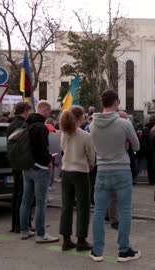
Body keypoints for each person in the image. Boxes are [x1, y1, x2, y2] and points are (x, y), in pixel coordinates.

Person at [89, 90, 141, 263]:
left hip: (102, 169)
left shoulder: (92, 124)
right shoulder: (124, 123)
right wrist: (124, 144)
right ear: (116, 102)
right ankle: (124, 250)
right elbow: (137, 145)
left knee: (98, 211)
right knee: (125, 210)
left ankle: (97, 251)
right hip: (122, 169)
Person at [19, 101, 59, 243]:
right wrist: (48, 161)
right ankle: (41, 234)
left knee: (26, 199)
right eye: (49, 111)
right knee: (41, 202)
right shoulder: (41, 127)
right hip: (40, 168)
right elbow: (43, 148)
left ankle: (24, 230)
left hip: (27, 166)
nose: (49, 114)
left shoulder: (26, 124)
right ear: (45, 110)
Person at [59, 106, 95, 252]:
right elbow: (91, 155)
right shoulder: (85, 135)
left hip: (66, 171)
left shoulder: (64, 133)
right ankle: (81, 239)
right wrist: (91, 164)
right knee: (83, 206)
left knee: (66, 205)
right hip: (80, 171)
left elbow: (62, 149)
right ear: (80, 117)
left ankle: (66, 239)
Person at [6, 102, 32, 233]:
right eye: (29, 111)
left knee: (16, 193)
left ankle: (14, 224)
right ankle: (23, 224)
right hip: (23, 163)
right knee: (24, 195)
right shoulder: (24, 125)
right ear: (25, 111)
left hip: (13, 162)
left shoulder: (10, 125)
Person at [141, 114, 155, 185]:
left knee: (149, 165)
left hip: (148, 150)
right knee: (154, 165)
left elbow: (142, 140)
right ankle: (154, 179)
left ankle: (151, 179)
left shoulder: (145, 129)